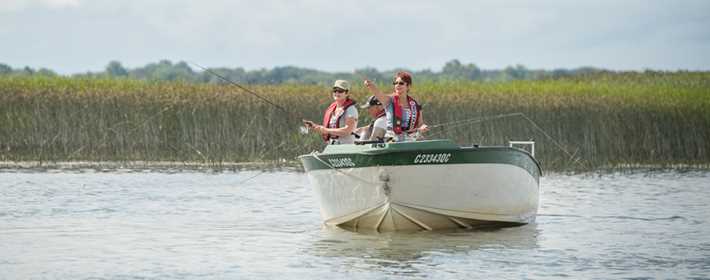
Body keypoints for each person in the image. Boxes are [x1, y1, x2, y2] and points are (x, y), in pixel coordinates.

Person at [363, 71, 429, 142]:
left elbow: (420, 124)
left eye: (401, 83)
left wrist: (423, 127)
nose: (397, 85)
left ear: (408, 86)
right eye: (395, 83)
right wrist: (371, 85)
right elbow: (378, 94)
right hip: (392, 141)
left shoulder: (415, 105)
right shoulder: (388, 100)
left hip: (410, 141)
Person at [303, 80, 359, 144]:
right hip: (332, 147)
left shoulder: (350, 109)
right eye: (335, 90)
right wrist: (315, 126)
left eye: (340, 91)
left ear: (347, 93)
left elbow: (348, 131)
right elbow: (329, 129)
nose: (337, 93)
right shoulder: (332, 108)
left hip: (345, 148)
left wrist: (326, 130)